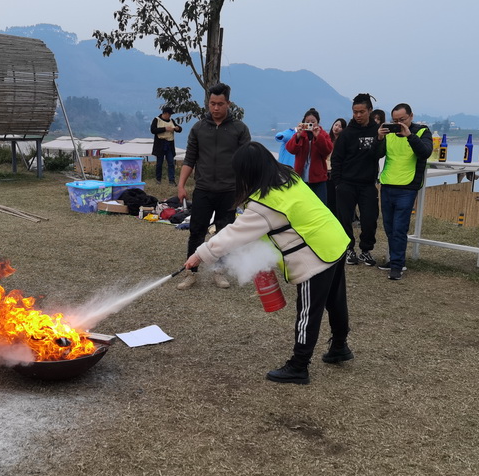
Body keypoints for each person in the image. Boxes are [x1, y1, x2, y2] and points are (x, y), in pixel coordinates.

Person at [183, 142, 352, 385]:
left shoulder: (264, 203)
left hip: (314, 254)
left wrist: (200, 254)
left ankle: (299, 366)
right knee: (335, 301)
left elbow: (233, 233)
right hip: (333, 240)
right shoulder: (287, 177)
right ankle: (339, 347)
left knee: (308, 312)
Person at [176, 83, 251, 290]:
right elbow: (189, 159)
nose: (215, 108)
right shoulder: (199, 128)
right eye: (212, 104)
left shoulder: (239, 129)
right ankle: (191, 273)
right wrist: (181, 185)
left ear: (228, 103)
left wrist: (247, 188)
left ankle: (219, 271)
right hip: (203, 190)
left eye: (220, 104)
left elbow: (248, 161)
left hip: (230, 191)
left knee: (224, 233)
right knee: (196, 231)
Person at [374, 103, 433, 280]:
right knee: (389, 227)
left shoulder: (422, 132)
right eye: (395, 120)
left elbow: (425, 152)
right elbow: (376, 155)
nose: (399, 123)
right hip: (387, 183)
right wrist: (379, 138)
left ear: (411, 116)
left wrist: (410, 136)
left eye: (402, 120)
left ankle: (397, 266)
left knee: (400, 228)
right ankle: (394, 260)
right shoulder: (389, 133)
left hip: (407, 187)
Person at [330, 93, 382, 267]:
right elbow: (336, 159)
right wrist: (338, 183)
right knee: (344, 219)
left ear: (369, 110)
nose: (358, 115)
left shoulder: (377, 131)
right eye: (355, 112)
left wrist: (380, 139)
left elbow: (380, 153)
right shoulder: (347, 134)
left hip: (367, 184)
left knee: (369, 220)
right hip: (346, 184)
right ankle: (348, 249)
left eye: (361, 112)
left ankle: (366, 250)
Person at [285, 108, 333, 204]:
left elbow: (327, 150)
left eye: (313, 122)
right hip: (301, 177)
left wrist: (318, 137)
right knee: (302, 205)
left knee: (320, 205)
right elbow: (290, 149)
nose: (310, 124)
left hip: (318, 179)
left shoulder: (323, 134)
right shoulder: (300, 134)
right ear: (303, 122)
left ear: (318, 122)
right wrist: (298, 136)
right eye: (307, 122)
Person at [150, 106, 183, 184]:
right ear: (165, 113)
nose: (170, 116)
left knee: (171, 162)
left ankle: (171, 180)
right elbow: (153, 130)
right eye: (169, 114)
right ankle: (158, 179)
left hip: (169, 144)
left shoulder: (171, 121)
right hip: (160, 144)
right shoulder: (156, 120)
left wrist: (178, 128)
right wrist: (165, 129)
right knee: (159, 163)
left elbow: (179, 129)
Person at [326, 118, 346, 214]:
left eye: (340, 126)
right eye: (336, 125)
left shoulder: (343, 142)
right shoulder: (326, 139)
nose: (337, 128)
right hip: (326, 172)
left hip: (337, 173)